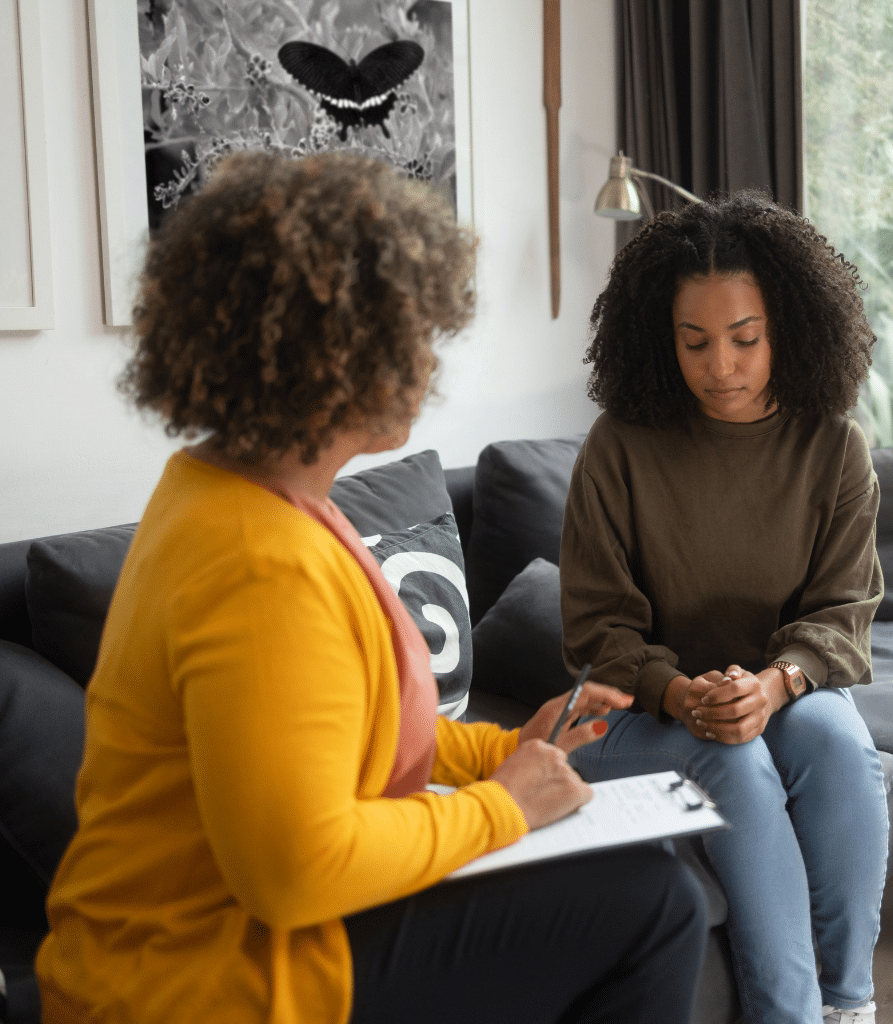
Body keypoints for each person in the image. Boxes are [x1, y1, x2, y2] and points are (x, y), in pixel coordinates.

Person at [34, 151, 709, 1024]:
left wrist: (499, 753)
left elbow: (346, 734)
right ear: (329, 354)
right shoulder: (260, 561)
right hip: (204, 978)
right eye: (413, 335)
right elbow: (294, 871)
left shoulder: (243, 492)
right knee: (653, 903)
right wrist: (504, 808)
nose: (430, 366)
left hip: (243, 937)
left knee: (643, 888)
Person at [560, 192, 890, 1024]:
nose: (721, 368)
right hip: (640, 708)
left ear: (788, 328)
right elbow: (597, 632)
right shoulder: (619, 445)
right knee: (734, 762)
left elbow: (844, 610)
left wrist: (775, 686)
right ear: (659, 336)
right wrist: (681, 694)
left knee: (837, 742)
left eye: (745, 339)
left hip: (775, 692)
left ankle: (850, 1002)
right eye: (694, 341)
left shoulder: (833, 444)